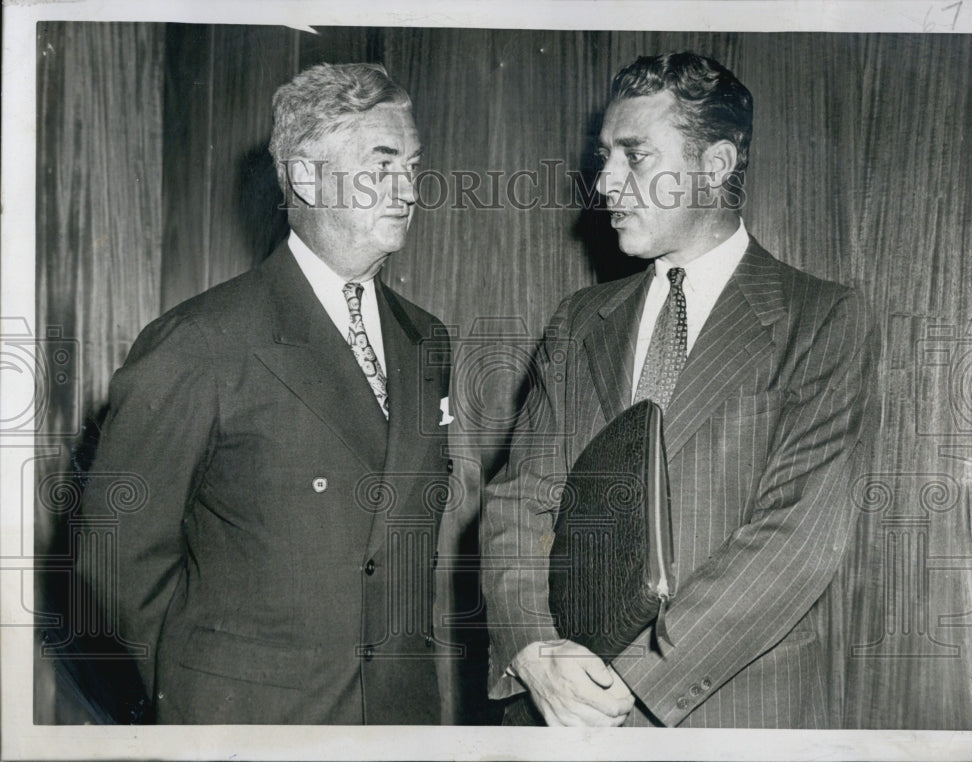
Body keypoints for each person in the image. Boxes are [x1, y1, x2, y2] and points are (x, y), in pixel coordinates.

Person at [481, 51, 880, 728]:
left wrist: (626, 681)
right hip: (559, 715)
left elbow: (795, 541)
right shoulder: (578, 322)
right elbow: (518, 501)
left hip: (733, 716)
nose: (605, 182)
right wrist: (534, 650)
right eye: (604, 155)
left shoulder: (822, 320)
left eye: (633, 155)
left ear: (716, 165)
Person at [77, 63, 451, 724]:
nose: (407, 188)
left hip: (399, 722)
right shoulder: (201, 339)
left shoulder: (426, 340)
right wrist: (195, 696)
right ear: (305, 176)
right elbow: (115, 563)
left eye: (413, 164)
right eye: (382, 163)